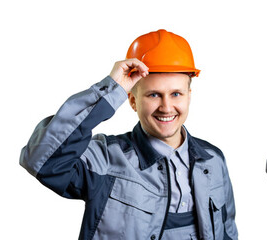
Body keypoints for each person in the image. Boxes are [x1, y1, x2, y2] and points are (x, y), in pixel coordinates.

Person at [20, 29, 238, 240]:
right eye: (154, 95)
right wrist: (111, 89)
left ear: (189, 96)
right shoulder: (105, 159)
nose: (166, 106)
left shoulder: (213, 160)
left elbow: (228, 232)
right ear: (132, 101)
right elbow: (42, 162)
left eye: (176, 94)